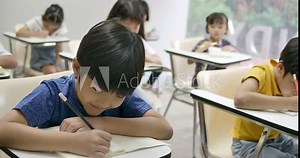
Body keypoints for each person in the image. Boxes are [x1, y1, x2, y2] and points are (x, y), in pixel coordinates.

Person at [0, 19, 173, 158]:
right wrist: (70, 142)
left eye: (119, 95)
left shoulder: (119, 88)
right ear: (77, 68)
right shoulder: (54, 94)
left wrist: (101, 123)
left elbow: (164, 129)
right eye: (98, 89)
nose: (106, 102)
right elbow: (3, 130)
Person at [232, 37, 298, 158]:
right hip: (248, 145)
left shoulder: (288, 85)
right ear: (280, 68)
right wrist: (288, 103)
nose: (296, 92)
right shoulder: (261, 72)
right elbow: (240, 98)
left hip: (278, 139)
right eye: (294, 84)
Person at [189, 12, 238, 87]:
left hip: (219, 81)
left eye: (220, 27)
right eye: (212, 26)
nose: (216, 30)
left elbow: (238, 57)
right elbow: (189, 61)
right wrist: (201, 48)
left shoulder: (226, 44)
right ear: (207, 28)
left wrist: (232, 50)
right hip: (201, 80)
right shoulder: (204, 43)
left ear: (226, 29)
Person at [16, 4, 67, 74]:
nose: (49, 30)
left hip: (55, 60)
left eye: (54, 29)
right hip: (39, 60)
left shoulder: (61, 29)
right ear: (44, 19)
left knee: (64, 73)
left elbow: (59, 50)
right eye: (46, 26)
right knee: (51, 71)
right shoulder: (36, 22)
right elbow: (19, 32)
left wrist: (57, 65)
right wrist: (37, 34)